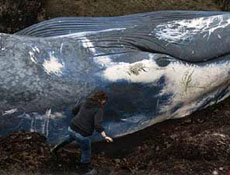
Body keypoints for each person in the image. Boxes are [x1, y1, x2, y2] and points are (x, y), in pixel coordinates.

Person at [51, 90, 113, 174]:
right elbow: (97, 125)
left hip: (72, 127)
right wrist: (105, 136)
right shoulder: (98, 110)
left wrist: (82, 117)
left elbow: (73, 111)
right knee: (86, 150)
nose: (104, 102)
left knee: (70, 138)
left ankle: (55, 149)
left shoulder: (85, 102)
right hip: (82, 134)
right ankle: (85, 170)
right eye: (104, 100)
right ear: (100, 100)